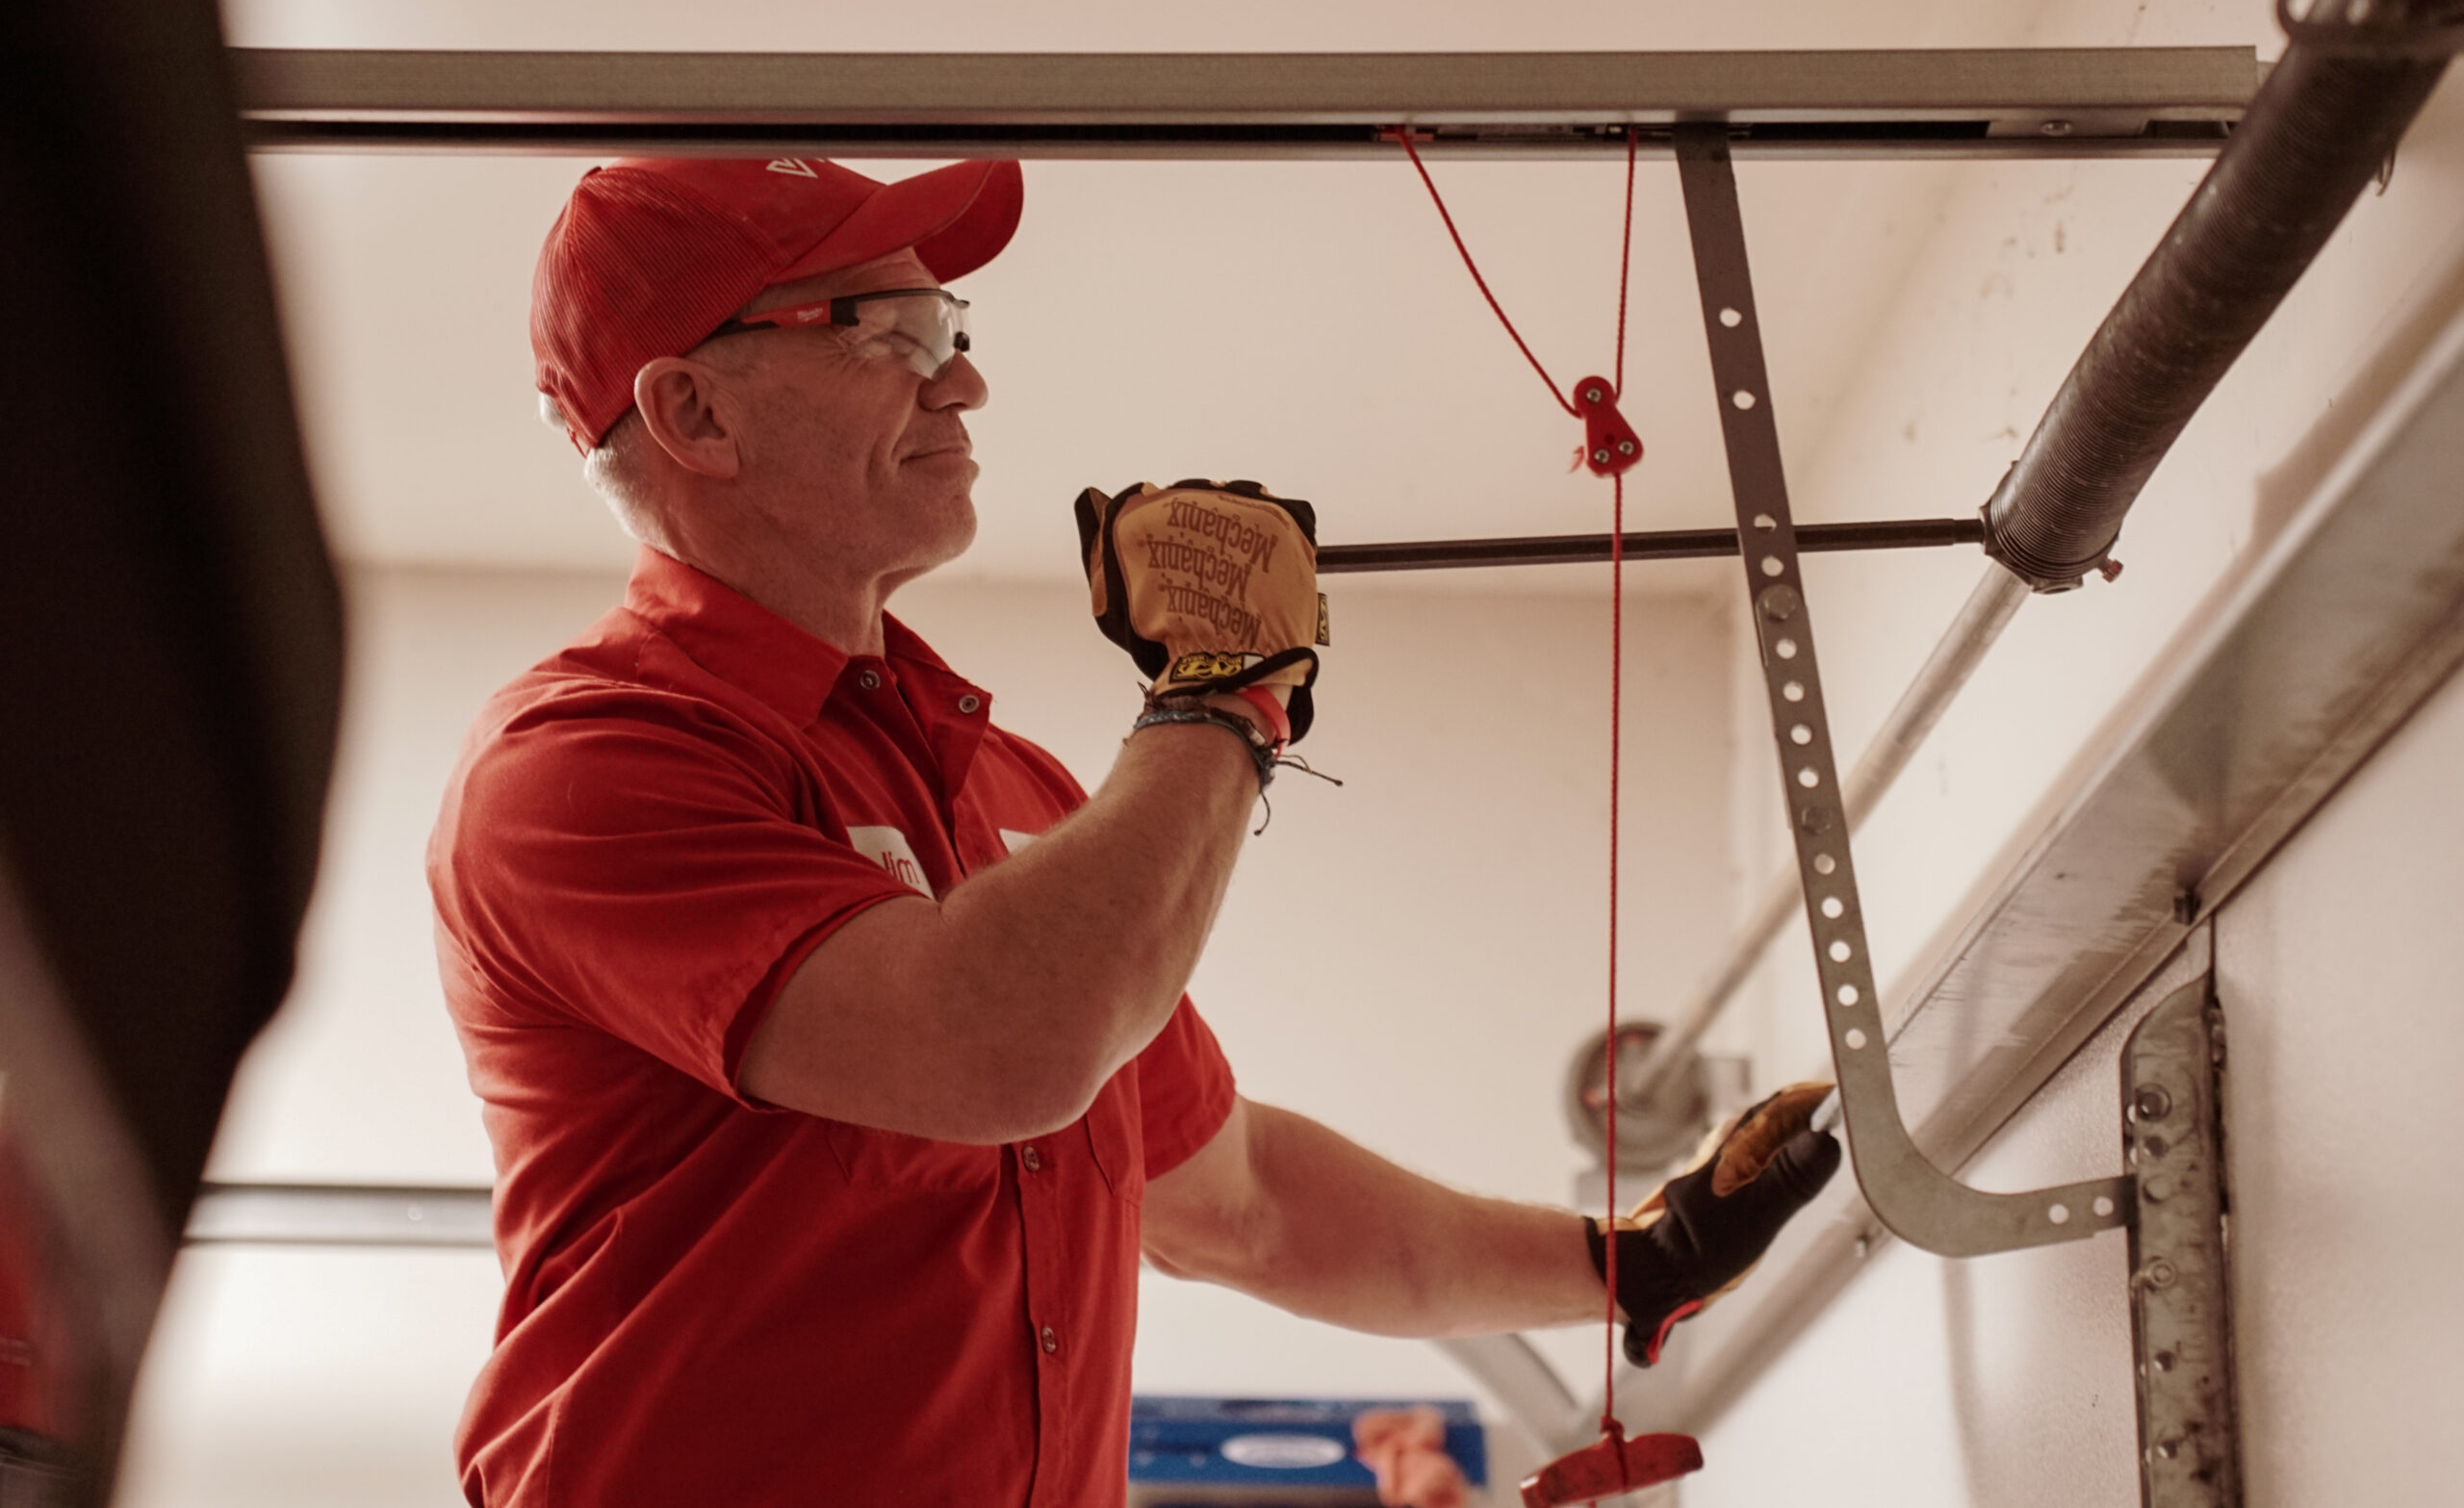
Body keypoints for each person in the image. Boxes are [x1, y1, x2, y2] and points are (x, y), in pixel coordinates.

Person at [428, 155, 1840, 1508]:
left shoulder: (1016, 795)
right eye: (894, 331)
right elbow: (998, 1047)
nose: (965, 378)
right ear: (693, 414)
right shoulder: (587, 767)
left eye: (953, 326)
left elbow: (1241, 1202)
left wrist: (1631, 1265)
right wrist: (1221, 698)